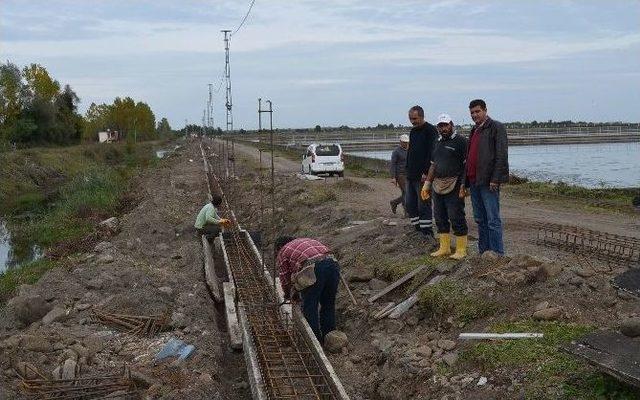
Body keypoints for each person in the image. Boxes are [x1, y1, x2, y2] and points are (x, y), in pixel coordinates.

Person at [421, 114, 468, 259]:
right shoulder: (437, 142)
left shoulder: (461, 142)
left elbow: (467, 165)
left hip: (455, 184)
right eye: (440, 126)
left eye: (446, 125)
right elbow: (433, 165)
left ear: (451, 124)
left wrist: (464, 184)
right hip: (437, 185)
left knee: (456, 216)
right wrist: (427, 185)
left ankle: (461, 249)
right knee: (439, 217)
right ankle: (444, 247)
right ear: (438, 128)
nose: (443, 128)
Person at [275, 236, 340, 342]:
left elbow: (285, 278)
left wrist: (288, 295)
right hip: (333, 264)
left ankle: (315, 341)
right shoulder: (306, 241)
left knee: (310, 306)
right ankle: (330, 337)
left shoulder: (283, 250)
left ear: (279, 246)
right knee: (328, 304)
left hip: (313, 269)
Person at [465, 99, 509, 255]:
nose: (475, 115)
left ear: (485, 110)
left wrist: (495, 178)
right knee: (480, 219)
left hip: (488, 181)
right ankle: (484, 251)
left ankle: (497, 253)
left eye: (477, 111)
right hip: (473, 180)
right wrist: (466, 183)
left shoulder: (496, 127)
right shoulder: (474, 130)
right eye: (472, 112)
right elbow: (469, 156)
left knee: (492, 219)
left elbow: (501, 155)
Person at [405, 105, 439, 238]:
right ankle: (417, 228)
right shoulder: (413, 132)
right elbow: (411, 152)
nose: (413, 121)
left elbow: (433, 154)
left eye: (415, 118)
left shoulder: (431, 131)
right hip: (410, 174)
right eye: (410, 119)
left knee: (423, 203)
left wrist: (427, 173)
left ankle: (427, 231)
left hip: (423, 176)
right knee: (409, 203)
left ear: (422, 116)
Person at [389, 134, 409, 215]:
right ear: (400, 142)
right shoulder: (396, 151)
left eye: (407, 142)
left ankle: (394, 202)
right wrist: (393, 177)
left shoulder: (409, 150)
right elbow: (393, 164)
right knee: (406, 192)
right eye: (404, 142)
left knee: (407, 193)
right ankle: (406, 212)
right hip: (400, 175)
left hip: (408, 174)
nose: (405, 143)